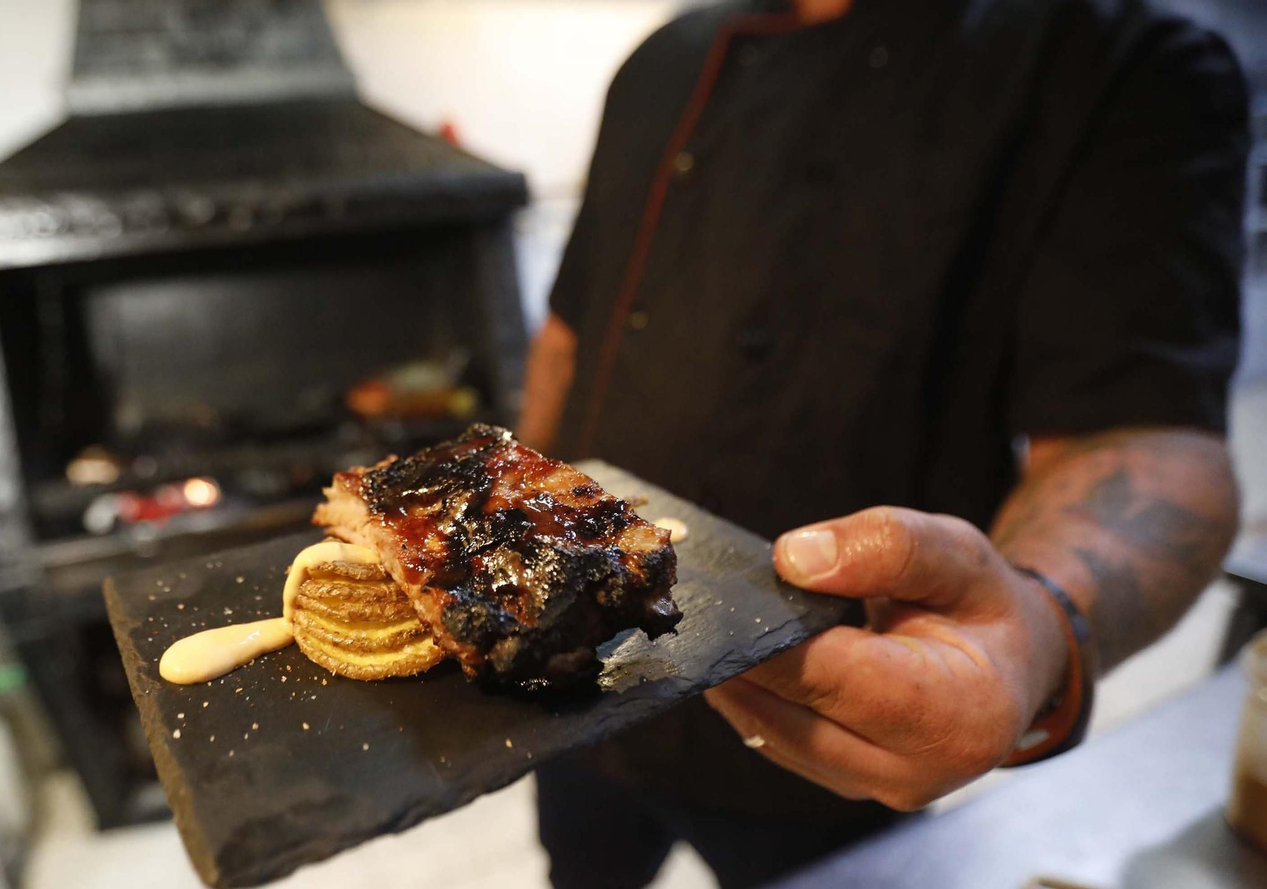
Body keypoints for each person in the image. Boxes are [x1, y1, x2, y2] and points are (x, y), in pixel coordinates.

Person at [518, 0, 1249, 885]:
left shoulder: (1120, 59)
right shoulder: (664, 59)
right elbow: (568, 337)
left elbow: (1146, 439)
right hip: (574, 677)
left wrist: (1033, 626)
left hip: (824, 729)